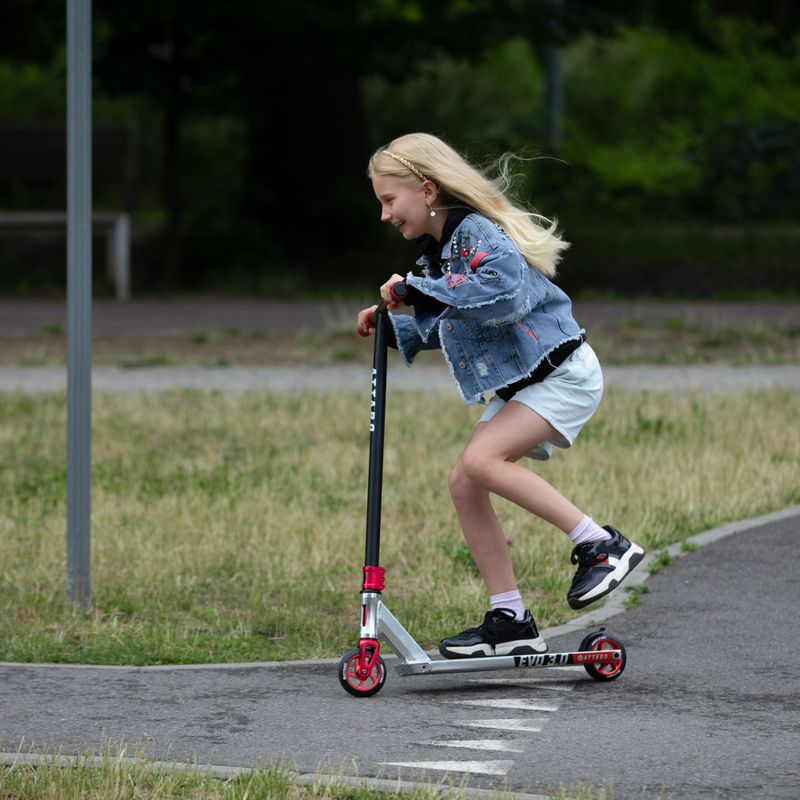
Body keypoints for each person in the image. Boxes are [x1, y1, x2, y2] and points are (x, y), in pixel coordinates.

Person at [357, 133, 644, 659]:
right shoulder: (437, 253)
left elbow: (502, 288)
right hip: (526, 381)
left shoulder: (474, 232)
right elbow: (445, 318)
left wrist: (416, 293)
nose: (384, 214)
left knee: (481, 461)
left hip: (561, 373)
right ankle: (510, 617)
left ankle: (600, 544)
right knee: (465, 480)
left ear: (425, 189)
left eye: (388, 200)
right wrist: (393, 327)